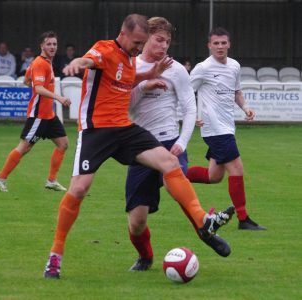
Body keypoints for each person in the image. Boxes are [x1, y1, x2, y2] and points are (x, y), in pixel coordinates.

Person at [43, 14, 234, 280]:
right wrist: (78, 62)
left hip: (125, 129)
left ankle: (203, 221)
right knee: (79, 188)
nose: (138, 47)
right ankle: (55, 255)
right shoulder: (104, 48)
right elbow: (92, 61)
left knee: (170, 163)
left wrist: (148, 75)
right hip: (95, 131)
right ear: (123, 34)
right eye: (137, 42)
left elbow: (124, 80)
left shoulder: (131, 61)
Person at [126, 17, 234, 272]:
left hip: (169, 139)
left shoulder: (176, 70)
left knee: (172, 179)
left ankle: (205, 229)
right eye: (159, 40)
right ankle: (145, 257)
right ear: (145, 38)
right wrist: (144, 85)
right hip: (140, 145)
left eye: (168, 41)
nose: (164, 46)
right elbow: (126, 106)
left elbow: (189, 107)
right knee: (137, 221)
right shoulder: (132, 66)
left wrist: (182, 142)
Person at [187, 27, 266, 230]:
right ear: (209, 45)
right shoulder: (203, 68)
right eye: (216, 43)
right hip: (214, 128)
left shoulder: (234, 66)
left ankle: (172, 175)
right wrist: (191, 115)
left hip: (227, 126)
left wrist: (246, 107)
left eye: (223, 43)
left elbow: (236, 91)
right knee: (237, 169)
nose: (220, 46)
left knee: (214, 176)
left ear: (229, 44)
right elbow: (185, 91)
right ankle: (243, 218)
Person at [0, 31, 71, 193]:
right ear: (41, 45)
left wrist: (37, 88)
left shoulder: (44, 62)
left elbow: (26, 80)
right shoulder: (40, 63)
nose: (52, 47)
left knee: (63, 144)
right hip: (38, 116)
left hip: (49, 115)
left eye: (54, 44)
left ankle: (51, 180)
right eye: (48, 44)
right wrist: (59, 98)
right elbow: (39, 88)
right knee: (24, 148)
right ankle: (0, 177)